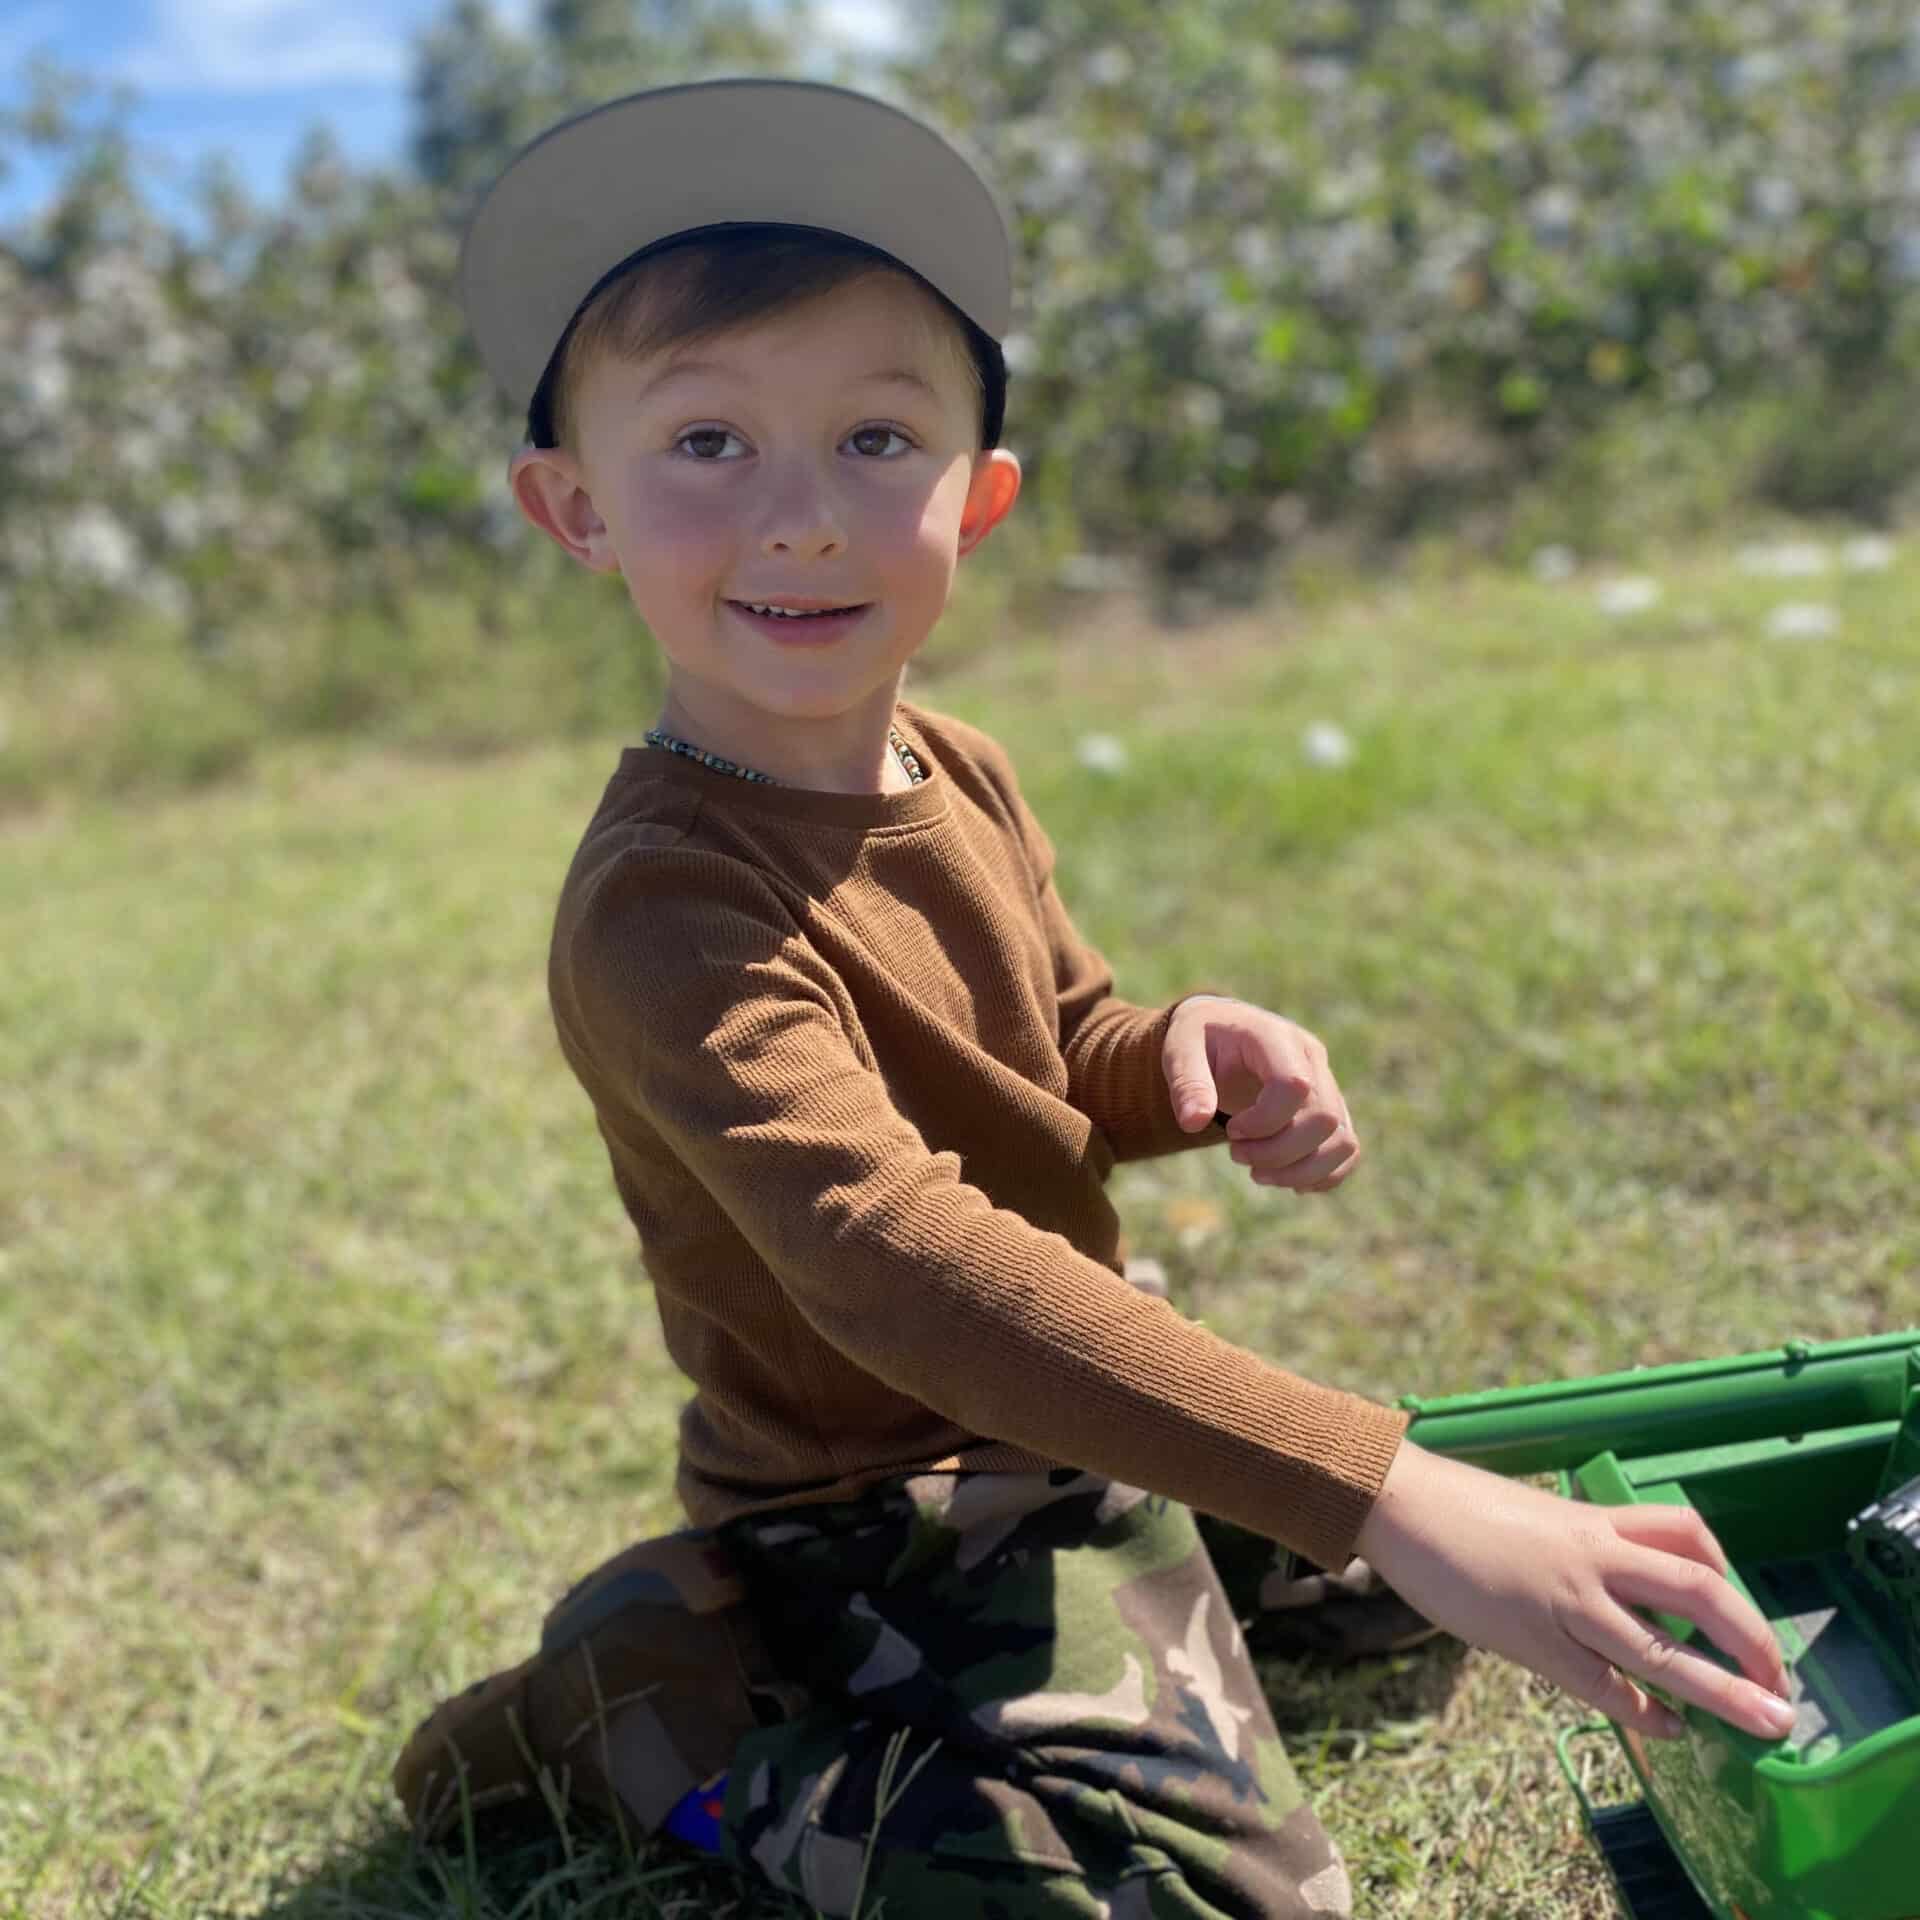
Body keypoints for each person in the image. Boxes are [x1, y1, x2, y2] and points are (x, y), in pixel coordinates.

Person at [393, 77, 1797, 1917]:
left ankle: (1184, 1578)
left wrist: (1182, 1057)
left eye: (876, 440)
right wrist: (1387, 1488)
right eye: (710, 446)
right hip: (874, 1506)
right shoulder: (665, 903)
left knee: (1445, 1582)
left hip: (1066, 1411)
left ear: (979, 499)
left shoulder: (956, 769)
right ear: (573, 508)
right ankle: (660, 1718)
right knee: (1182, 1892)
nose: (804, 518)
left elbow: (1062, 1051)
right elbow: (895, 1262)